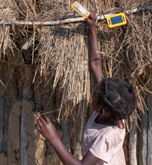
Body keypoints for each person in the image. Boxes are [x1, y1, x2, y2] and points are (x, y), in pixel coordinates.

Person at [35, 11, 137, 165]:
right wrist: (92, 28)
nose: (94, 93)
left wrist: (53, 137)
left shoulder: (108, 136)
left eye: (95, 95)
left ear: (102, 110)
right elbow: (96, 65)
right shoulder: (111, 106)